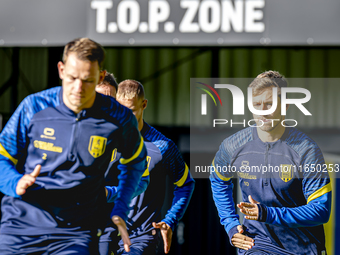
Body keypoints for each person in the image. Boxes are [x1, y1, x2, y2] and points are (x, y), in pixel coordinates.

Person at [0, 38, 148, 254]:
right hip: (21, 227)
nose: (78, 88)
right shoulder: (34, 107)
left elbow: (135, 164)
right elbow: (2, 157)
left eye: (87, 80)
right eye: (72, 78)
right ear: (61, 70)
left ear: (100, 75)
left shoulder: (119, 118)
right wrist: (15, 182)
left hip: (76, 233)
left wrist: (120, 207)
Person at [210, 71, 331, 254]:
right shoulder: (233, 146)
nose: (262, 111)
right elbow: (218, 179)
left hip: (303, 248)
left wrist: (267, 213)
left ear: (286, 105)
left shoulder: (306, 150)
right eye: (257, 104)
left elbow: (321, 210)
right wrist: (231, 224)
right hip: (258, 244)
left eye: (269, 104)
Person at [98, 80, 195, 255]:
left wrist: (170, 220)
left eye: (132, 111)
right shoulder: (104, 140)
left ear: (144, 105)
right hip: (105, 232)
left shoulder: (163, 147)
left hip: (140, 237)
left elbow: (185, 184)